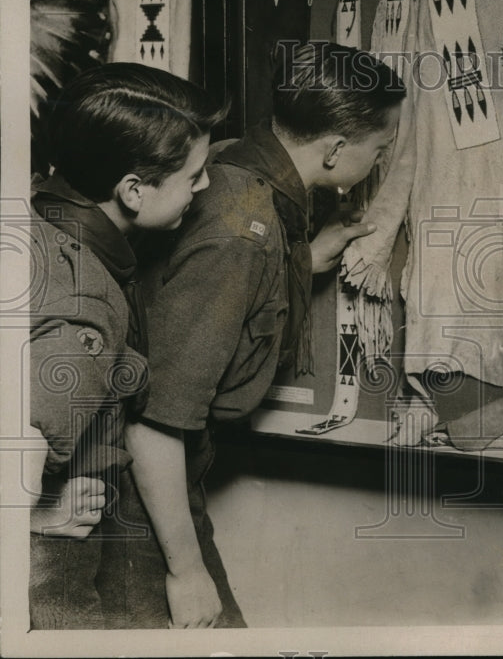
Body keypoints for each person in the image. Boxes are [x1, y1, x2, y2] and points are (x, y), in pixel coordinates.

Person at [119, 42, 405, 628]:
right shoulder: (241, 230)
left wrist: (303, 257)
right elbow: (154, 421)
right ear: (335, 150)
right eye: (381, 147)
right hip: (138, 492)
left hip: (154, 483)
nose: (381, 161)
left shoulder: (235, 168)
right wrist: (186, 571)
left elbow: (198, 290)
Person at [27, 62, 226, 629]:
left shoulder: (42, 222)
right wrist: (29, 515)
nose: (205, 186)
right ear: (134, 191)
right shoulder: (85, 301)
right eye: (194, 175)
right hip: (45, 566)